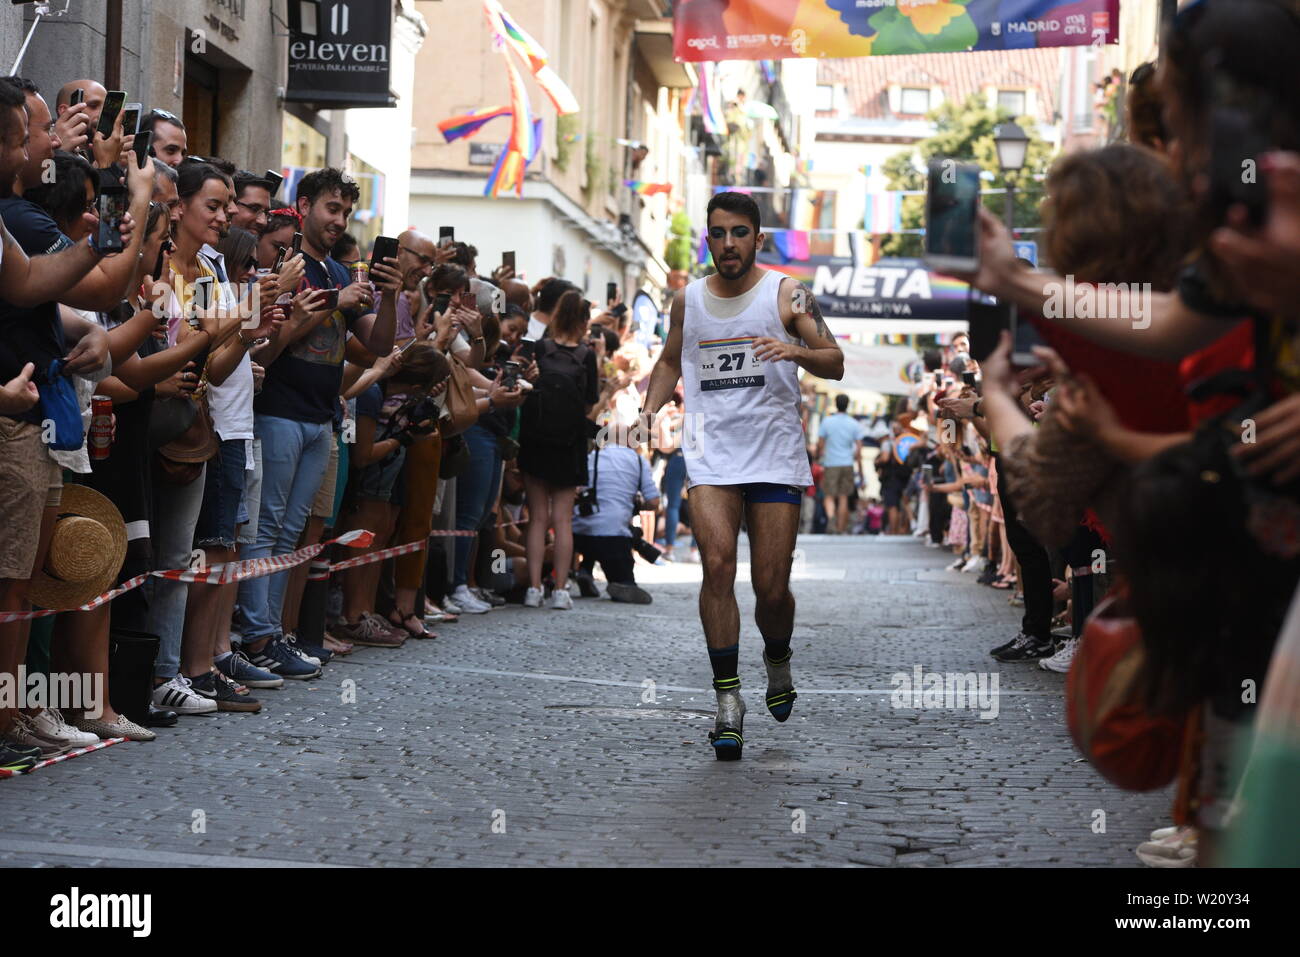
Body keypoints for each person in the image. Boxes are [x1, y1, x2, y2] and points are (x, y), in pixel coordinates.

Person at [639, 190, 843, 760]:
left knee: (771, 589)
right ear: (708, 238)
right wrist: (647, 412)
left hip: (774, 453)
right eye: (717, 233)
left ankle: (777, 658)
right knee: (719, 565)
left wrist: (791, 349)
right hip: (711, 454)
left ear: (758, 239)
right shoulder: (689, 300)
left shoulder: (788, 293)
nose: (727, 244)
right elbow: (669, 359)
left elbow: (836, 361)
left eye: (738, 233)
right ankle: (728, 700)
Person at [237, 167, 396, 679]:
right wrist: (333, 302)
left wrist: (390, 295)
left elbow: (379, 345)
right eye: (332, 208)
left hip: (321, 418)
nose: (339, 220)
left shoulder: (339, 272)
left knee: (289, 534)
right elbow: (268, 343)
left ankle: (274, 635)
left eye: (346, 211)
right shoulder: (288, 265)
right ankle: (256, 635)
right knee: (265, 528)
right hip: (278, 412)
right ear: (303, 206)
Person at [517, 289, 599, 609]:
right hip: (569, 444)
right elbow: (590, 404)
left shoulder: (540, 348)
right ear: (582, 320)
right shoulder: (586, 355)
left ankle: (534, 588)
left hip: (535, 441)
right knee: (562, 520)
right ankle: (561, 589)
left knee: (537, 517)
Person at [571, 431, 661, 604]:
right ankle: (620, 581)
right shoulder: (637, 460)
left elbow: (577, 491)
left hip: (580, 534)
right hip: (614, 538)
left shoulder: (592, 456)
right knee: (624, 580)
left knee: (596, 525)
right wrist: (634, 505)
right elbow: (654, 502)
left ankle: (585, 570)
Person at [816, 393, 863, 534]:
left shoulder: (827, 422)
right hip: (847, 463)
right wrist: (860, 468)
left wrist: (820, 456)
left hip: (831, 463)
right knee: (843, 497)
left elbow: (820, 445)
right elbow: (859, 448)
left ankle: (831, 518)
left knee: (829, 495)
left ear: (835, 404)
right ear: (848, 405)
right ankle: (840, 529)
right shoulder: (854, 424)